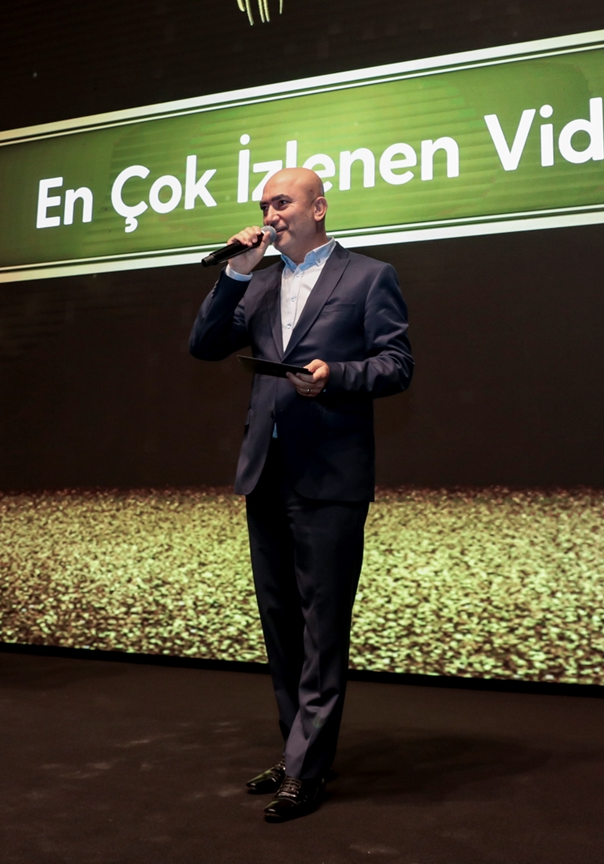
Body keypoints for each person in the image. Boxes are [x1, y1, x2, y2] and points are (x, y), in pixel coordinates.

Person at [189, 167, 413, 822]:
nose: (270, 214)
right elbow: (204, 345)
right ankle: (297, 753)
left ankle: (308, 768)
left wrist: (334, 374)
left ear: (318, 208)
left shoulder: (368, 276)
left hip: (330, 476)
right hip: (266, 472)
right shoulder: (257, 281)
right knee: (281, 625)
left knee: (323, 627)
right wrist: (235, 273)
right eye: (264, 205)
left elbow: (397, 363)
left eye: (282, 202)